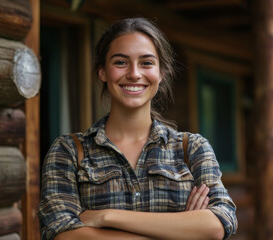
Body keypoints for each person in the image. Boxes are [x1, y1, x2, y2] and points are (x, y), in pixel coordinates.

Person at [38, 17, 237, 240]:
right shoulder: (69, 151)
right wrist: (181, 232)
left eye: (146, 63)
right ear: (102, 72)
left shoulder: (192, 149)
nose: (134, 73)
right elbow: (62, 235)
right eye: (120, 62)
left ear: (161, 73)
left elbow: (217, 224)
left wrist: (107, 217)